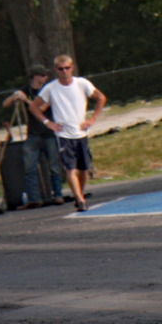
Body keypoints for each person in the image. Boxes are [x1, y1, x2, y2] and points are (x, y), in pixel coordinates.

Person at [30, 55, 106, 212]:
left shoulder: (82, 83)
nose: (64, 71)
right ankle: (79, 198)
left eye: (67, 68)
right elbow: (34, 107)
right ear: (56, 70)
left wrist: (93, 118)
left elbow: (100, 97)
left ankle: (81, 193)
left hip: (81, 132)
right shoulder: (51, 88)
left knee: (84, 169)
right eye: (60, 69)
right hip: (64, 134)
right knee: (71, 168)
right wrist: (48, 123)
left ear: (72, 68)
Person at [1, 64, 65, 207]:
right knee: (29, 167)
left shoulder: (48, 90)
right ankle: (34, 198)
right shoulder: (26, 90)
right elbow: (5, 104)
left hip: (49, 132)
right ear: (34, 76)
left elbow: (41, 108)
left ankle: (58, 195)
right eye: (42, 75)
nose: (45, 77)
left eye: (46, 75)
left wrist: (26, 100)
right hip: (33, 133)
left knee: (53, 166)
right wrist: (15, 97)